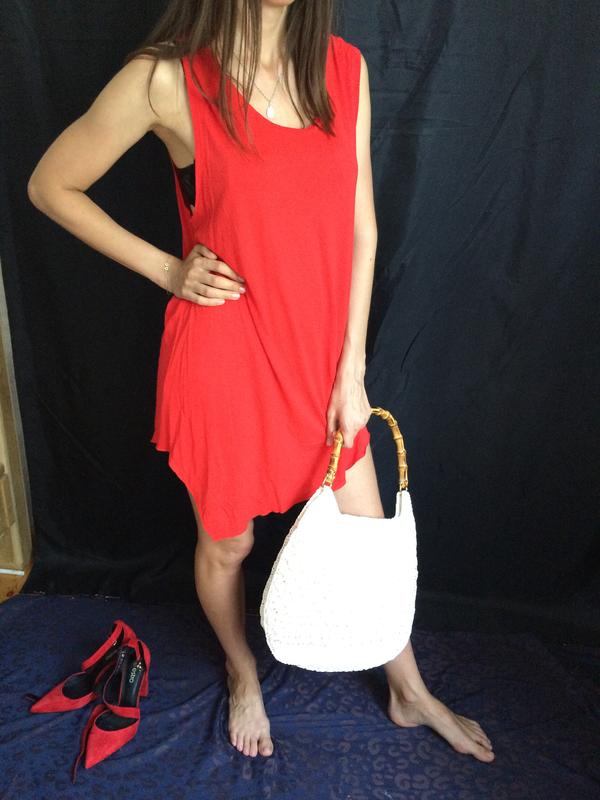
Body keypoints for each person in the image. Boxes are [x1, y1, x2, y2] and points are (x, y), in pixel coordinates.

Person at [27, 0, 494, 764]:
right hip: (226, 358)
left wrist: (352, 370)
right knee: (229, 543)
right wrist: (168, 269)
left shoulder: (344, 70)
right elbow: (51, 185)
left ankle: (409, 689)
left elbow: (362, 227)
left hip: (320, 361)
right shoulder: (167, 79)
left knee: (367, 532)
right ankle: (241, 670)